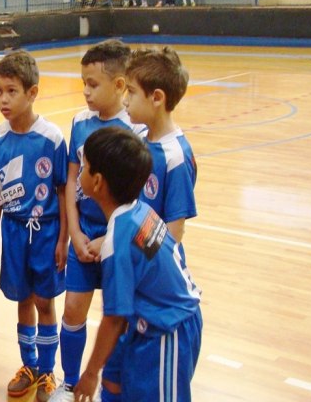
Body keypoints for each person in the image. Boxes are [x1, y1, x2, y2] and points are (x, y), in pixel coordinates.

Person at [72, 126, 202, 402]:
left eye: (84, 167)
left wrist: (91, 372)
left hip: (169, 329)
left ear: (97, 182)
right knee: (114, 379)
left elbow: (114, 318)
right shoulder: (140, 211)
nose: (79, 173)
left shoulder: (117, 242)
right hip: (143, 322)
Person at [50, 40, 145, 402]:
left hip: (116, 239)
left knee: (117, 314)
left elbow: (138, 199)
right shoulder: (79, 122)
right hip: (83, 234)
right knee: (73, 308)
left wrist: (107, 240)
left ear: (120, 86)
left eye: (93, 84)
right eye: (83, 84)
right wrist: (73, 232)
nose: (86, 91)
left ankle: (111, 382)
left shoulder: (136, 130)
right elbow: (72, 180)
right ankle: (70, 382)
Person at [0, 50, 68, 402]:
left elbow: (63, 192)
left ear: (32, 93)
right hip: (15, 232)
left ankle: (48, 372)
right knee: (22, 299)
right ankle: (29, 365)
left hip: (45, 232)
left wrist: (63, 239)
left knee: (44, 300)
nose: (3, 99)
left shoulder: (52, 138)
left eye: (11, 91)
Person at [123, 47, 197, 245]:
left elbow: (174, 233)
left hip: (154, 268)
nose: (124, 100)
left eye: (131, 92)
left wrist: (138, 258)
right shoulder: (137, 139)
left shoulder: (176, 157)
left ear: (156, 98)